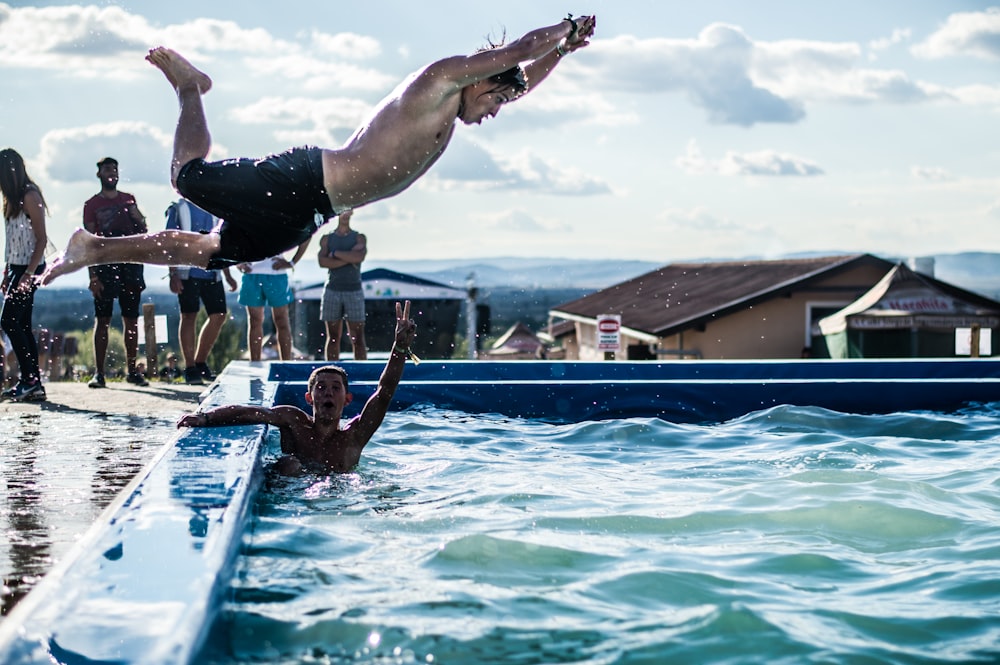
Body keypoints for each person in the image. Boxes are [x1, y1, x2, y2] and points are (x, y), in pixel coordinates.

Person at [41, 15, 597, 285]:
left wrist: (564, 52)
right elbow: (523, 48)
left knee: (212, 253)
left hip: (312, 212)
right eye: (498, 97)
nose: (498, 109)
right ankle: (192, 87)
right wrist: (564, 26)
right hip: (302, 179)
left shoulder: (458, 111)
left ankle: (94, 249)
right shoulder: (440, 82)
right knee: (187, 180)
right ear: (484, 76)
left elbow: (525, 72)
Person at [177, 301, 417, 475]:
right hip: (294, 496)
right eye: (320, 387)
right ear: (309, 398)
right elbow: (249, 412)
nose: (328, 393)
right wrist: (205, 417)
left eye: (335, 388)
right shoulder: (293, 422)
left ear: (347, 399)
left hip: (343, 499)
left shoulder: (354, 435)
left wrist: (399, 348)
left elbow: (384, 393)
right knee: (288, 464)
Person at [83, 157, 149, 388]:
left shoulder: (129, 199)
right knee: (103, 320)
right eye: (107, 169)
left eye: (115, 169)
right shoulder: (91, 205)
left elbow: (143, 231)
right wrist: (93, 276)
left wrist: (137, 215)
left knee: (131, 320)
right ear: (99, 174)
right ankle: (99, 374)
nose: (112, 172)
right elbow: (89, 243)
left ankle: (132, 371)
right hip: (104, 266)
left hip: (130, 265)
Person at [165, 197, 238, 384]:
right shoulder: (178, 208)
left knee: (219, 314)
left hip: (211, 271)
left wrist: (228, 274)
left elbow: (221, 242)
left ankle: (200, 361)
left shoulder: (213, 206)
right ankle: (190, 367)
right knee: (189, 315)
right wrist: (173, 273)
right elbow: (169, 242)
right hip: (186, 271)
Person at [0, 148, 48, 402]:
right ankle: (34, 383)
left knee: (8, 321)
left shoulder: (30, 195)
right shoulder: (11, 199)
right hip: (17, 267)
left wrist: (28, 274)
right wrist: (8, 270)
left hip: (31, 267)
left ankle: (29, 379)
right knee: (22, 324)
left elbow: (41, 239)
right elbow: (13, 240)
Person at [239, 241, 309, 361]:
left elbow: (306, 237)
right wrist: (238, 262)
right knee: (255, 320)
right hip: (251, 274)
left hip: (276, 275)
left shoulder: (281, 221)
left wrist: (291, 263)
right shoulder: (248, 221)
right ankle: (255, 363)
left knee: (281, 320)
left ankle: (286, 363)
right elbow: (233, 237)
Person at [318, 209, 367, 360]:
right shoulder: (327, 238)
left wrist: (334, 254)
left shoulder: (359, 237)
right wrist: (348, 257)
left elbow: (359, 257)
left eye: (348, 210)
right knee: (332, 337)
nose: (345, 214)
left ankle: (362, 372)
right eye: (342, 210)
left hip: (354, 290)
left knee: (357, 337)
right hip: (332, 289)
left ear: (352, 212)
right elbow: (322, 262)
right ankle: (331, 370)